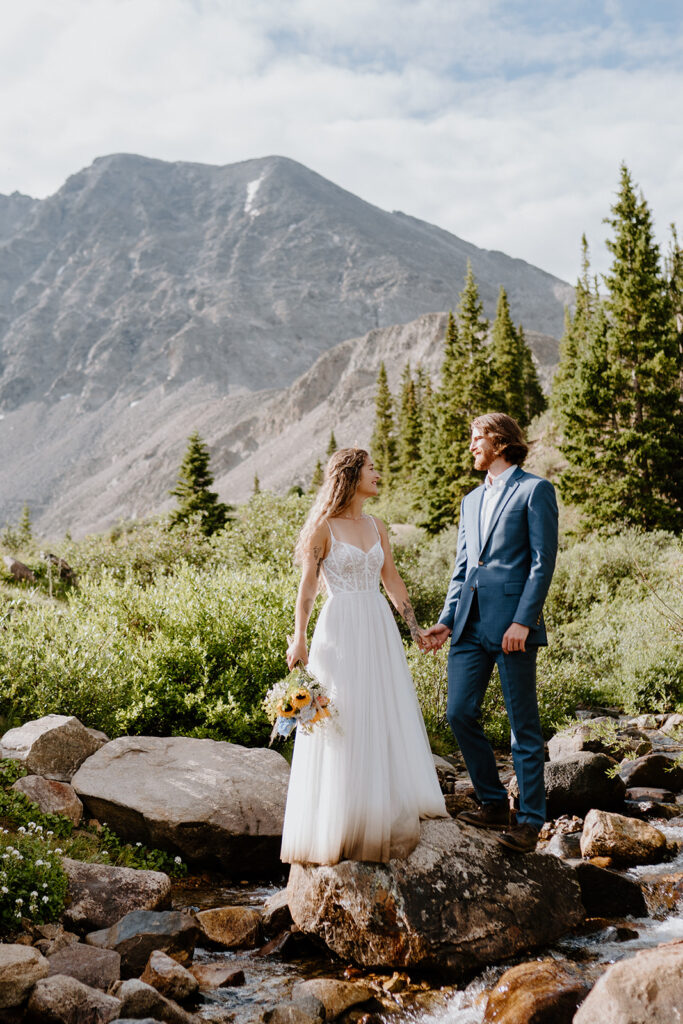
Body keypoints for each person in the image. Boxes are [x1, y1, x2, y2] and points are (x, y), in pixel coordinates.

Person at [281, 447, 447, 866]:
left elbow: (391, 578)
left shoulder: (377, 525)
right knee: (344, 715)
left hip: (377, 625)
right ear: (351, 476)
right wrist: (298, 639)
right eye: (372, 468)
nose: (378, 473)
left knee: (383, 707)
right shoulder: (324, 528)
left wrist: (413, 629)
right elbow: (307, 590)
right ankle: (342, 817)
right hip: (339, 628)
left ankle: (382, 806)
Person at [423, 413, 558, 854]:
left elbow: (542, 562)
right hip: (468, 625)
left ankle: (531, 820)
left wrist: (524, 620)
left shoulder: (535, 490)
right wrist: (447, 619)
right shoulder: (469, 501)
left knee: (524, 727)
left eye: (476, 438)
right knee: (459, 712)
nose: (471, 446)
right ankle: (494, 802)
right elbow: (463, 567)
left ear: (499, 442)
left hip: (513, 627)